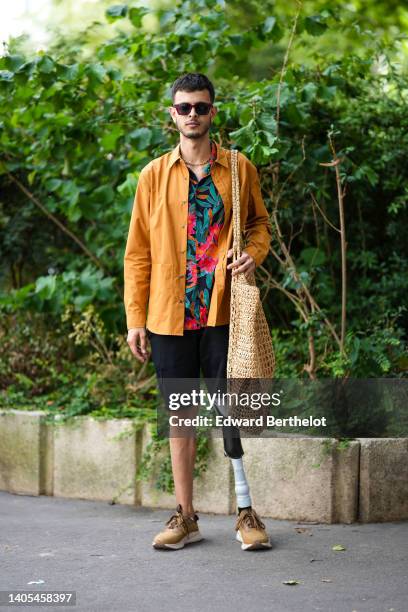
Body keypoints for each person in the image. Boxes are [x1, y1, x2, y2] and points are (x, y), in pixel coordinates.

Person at [124, 72, 272, 551]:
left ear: (213, 112)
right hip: (169, 314)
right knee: (181, 414)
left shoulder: (238, 167)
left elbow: (258, 225)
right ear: (173, 114)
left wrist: (255, 252)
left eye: (200, 107)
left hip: (221, 310)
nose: (192, 115)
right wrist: (134, 318)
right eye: (184, 107)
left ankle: (246, 512)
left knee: (231, 407)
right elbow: (137, 253)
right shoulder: (153, 175)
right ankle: (186, 517)